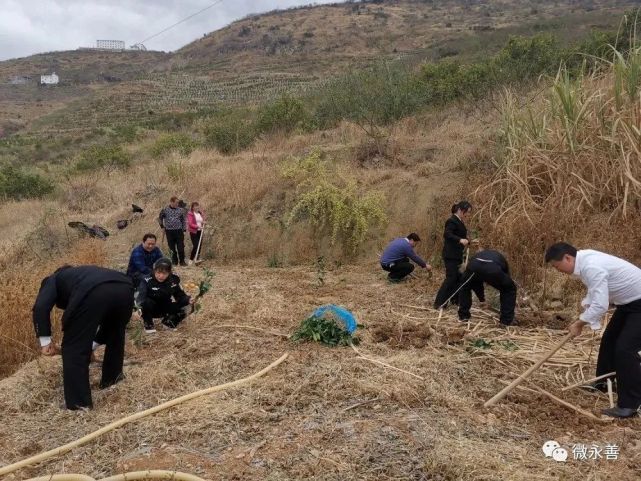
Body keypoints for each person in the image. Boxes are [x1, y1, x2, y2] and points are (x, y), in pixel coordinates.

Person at [546, 242, 641, 419]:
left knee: (625, 349)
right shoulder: (584, 260)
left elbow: (600, 305)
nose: (558, 270)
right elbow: (596, 294)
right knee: (609, 341)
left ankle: (629, 405)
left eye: (557, 266)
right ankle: (604, 383)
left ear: (568, 258)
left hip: (638, 303)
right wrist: (584, 316)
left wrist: (579, 323)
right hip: (628, 303)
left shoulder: (591, 266)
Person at [32, 265, 134, 410]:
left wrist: (45, 341)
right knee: (115, 334)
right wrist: (90, 346)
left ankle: (79, 404)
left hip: (93, 291)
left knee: (73, 349)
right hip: (125, 288)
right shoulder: (84, 274)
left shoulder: (53, 279)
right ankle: (112, 380)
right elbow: (106, 329)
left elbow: (40, 307)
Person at [458, 249, 517, 327]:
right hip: (492, 269)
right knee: (509, 289)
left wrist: (481, 299)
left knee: (465, 287)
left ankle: (463, 316)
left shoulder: (479, 255)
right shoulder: (502, 260)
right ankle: (505, 321)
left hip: (473, 266)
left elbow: (477, 284)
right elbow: (505, 282)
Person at [136, 258, 194, 333]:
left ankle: (169, 323)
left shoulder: (173, 279)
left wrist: (188, 299)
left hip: (165, 306)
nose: (161, 276)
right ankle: (148, 324)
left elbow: (180, 295)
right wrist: (137, 309)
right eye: (158, 273)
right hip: (150, 308)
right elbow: (141, 296)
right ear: (154, 270)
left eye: (164, 273)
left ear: (169, 272)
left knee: (189, 305)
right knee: (146, 302)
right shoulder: (146, 280)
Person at [434, 201, 473, 309]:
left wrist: (468, 241)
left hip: (457, 255)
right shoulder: (452, 221)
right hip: (450, 255)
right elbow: (447, 234)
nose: (468, 215)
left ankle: (455, 300)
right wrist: (460, 239)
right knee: (451, 278)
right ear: (460, 210)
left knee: (459, 278)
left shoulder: (459, 221)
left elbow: (459, 236)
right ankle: (439, 303)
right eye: (467, 212)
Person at [159, 196, 187, 266]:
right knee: (172, 247)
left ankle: (182, 261)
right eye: (176, 202)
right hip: (169, 231)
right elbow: (160, 218)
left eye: (178, 202)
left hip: (179, 231)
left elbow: (183, 220)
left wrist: (184, 229)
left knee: (180, 247)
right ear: (171, 202)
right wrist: (162, 226)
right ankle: (174, 261)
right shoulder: (165, 210)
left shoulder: (180, 210)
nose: (177, 204)